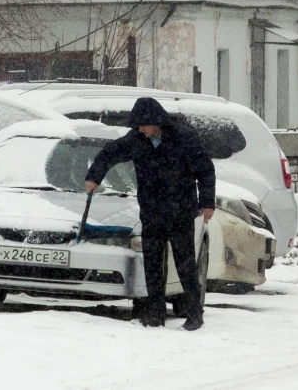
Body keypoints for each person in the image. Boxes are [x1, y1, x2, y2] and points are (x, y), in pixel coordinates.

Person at [85, 97, 215, 331]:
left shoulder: (184, 139)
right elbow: (109, 154)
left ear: (156, 121)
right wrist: (94, 177)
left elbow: (205, 170)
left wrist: (207, 203)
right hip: (152, 213)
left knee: (185, 265)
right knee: (153, 265)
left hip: (181, 213)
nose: (140, 130)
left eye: (142, 125)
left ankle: (195, 313)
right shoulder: (136, 140)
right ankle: (155, 313)